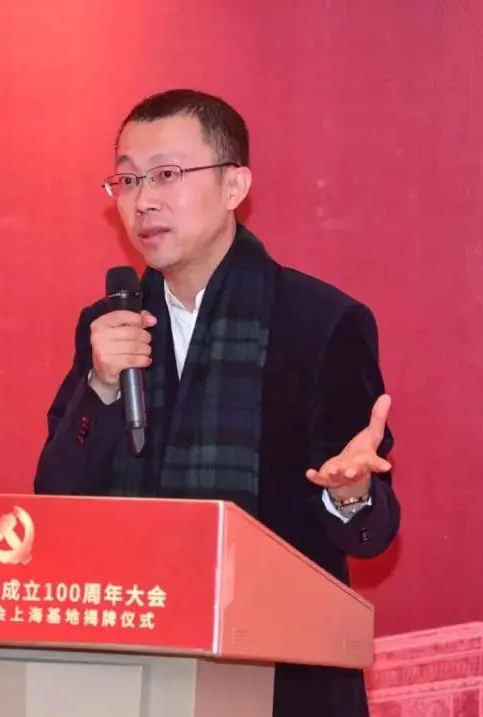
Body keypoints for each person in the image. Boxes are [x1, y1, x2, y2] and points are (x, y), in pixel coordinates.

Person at [34, 89, 400, 717]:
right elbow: (56, 500)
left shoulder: (319, 323)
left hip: (282, 680)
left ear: (235, 185)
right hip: (132, 671)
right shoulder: (111, 327)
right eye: (127, 180)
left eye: (167, 175)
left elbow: (372, 534)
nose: (143, 200)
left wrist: (350, 494)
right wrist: (100, 387)